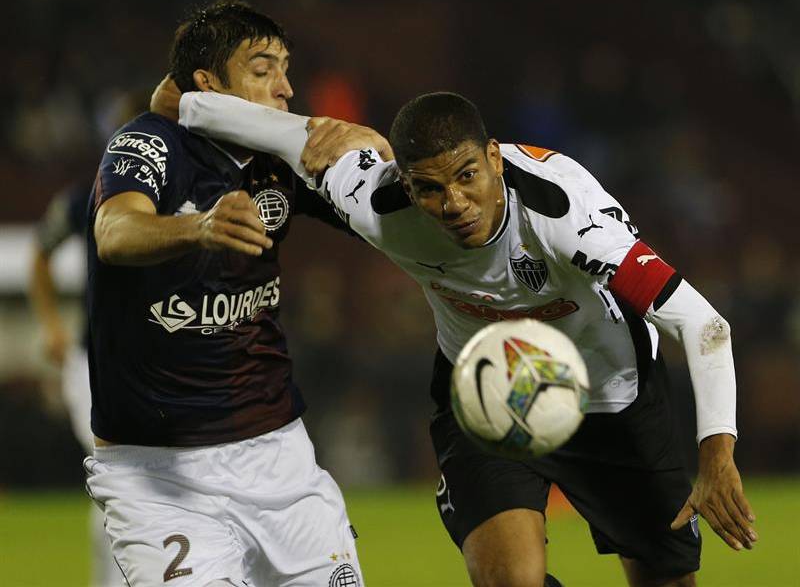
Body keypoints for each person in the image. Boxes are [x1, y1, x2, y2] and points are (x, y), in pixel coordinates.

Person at [171, 89, 757, 587]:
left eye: (467, 176)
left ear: (494, 158)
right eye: (428, 188)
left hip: (610, 398)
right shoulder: (376, 204)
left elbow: (703, 324)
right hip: (485, 394)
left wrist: (717, 454)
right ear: (404, 183)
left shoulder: (566, 218)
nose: (453, 203)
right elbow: (283, 132)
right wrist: (183, 102)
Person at [84, 0, 387, 586]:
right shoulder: (149, 143)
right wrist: (199, 226)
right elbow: (114, 232)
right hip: (159, 476)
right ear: (208, 84)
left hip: (278, 458)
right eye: (262, 69)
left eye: (286, 70)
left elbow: (384, 205)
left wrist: (364, 148)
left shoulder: (280, 158)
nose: (285, 87)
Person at [29, 181, 125, 587]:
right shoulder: (87, 195)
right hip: (94, 365)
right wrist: (51, 325)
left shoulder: (180, 185)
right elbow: (40, 252)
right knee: (117, 472)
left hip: (155, 363)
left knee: (124, 478)